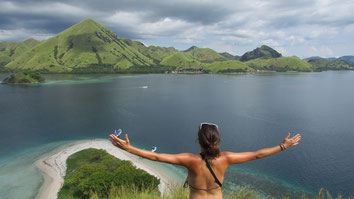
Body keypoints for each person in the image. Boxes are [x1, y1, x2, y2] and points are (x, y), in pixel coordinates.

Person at [109, 123, 302, 199]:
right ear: (217, 140)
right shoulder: (226, 159)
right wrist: (283, 146)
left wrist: (128, 148)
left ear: (199, 142)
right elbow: (258, 154)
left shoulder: (190, 160)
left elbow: (156, 157)